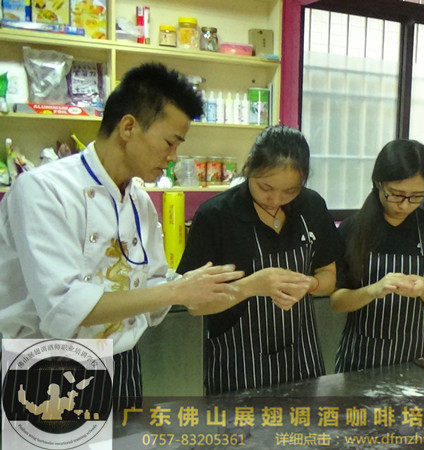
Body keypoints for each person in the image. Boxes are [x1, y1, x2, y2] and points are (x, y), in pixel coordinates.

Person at [0, 63, 245, 404]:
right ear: (128, 127)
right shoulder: (43, 190)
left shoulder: (139, 201)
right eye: (170, 143)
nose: (173, 157)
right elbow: (65, 307)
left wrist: (188, 288)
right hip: (48, 365)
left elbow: (153, 282)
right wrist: (175, 291)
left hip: (124, 361)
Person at [177, 125, 343, 394]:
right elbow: (195, 305)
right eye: (265, 187)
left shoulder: (311, 206)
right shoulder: (216, 216)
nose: (275, 199)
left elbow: (329, 276)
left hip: (302, 359)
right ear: (249, 168)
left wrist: (309, 284)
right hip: (238, 366)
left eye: (290, 190)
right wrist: (251, 286)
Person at [332, 139, 424, 373]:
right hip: (360, 360)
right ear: (378, 183)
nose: (405, 205)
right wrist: (373, 290)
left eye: (416, 196)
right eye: (396, 194)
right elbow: (337, 302)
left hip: (417, 358)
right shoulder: (352, 229)